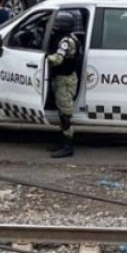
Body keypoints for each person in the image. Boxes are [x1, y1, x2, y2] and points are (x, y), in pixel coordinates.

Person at [47, 11, 80, 158]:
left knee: (65, 114)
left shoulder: (66, 41)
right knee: (61, 112)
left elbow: (58, 59)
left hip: (65, 80)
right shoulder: (71, 38)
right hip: (63, 78)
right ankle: (62, 141)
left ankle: (68, 146)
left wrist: (45, 58)